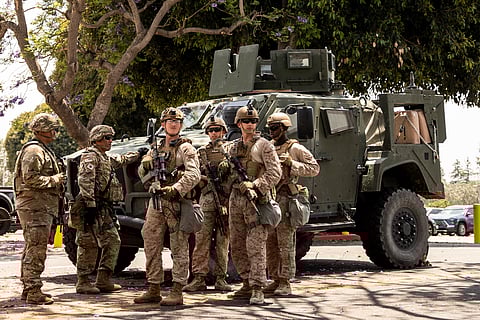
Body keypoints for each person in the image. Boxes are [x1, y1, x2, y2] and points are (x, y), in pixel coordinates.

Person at [134, 107, 200, 306]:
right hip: (157, 202)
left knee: (179, 245)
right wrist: (147, 173)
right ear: (163, 125)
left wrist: (176, 188)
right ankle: (154, 287)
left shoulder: (186, 148)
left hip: (177, 202)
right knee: (150, 239)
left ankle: (178, 289)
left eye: (177, 121)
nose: (173, 124)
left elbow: (194, 174)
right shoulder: (156, 148)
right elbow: (141, 170)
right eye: (170, 121)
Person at [218, 105, 281, 305]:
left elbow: (274, 173)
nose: (250, 125)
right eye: (246, 121)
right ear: (239, 124)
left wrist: (255, 184)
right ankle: (245, 282)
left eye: (253, 121)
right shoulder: (233, 147)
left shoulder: (264, 146)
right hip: (236, 199)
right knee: (236, 244)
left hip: (255, 200)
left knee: (255, 246)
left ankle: (258, 287)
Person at [75, 125, 147, 294]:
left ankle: (103, 279)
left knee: (113, 240)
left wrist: (138, 153)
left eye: (110, 138)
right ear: (97, 139)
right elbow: (85, 181)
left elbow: (120, 160)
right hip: (90, 207)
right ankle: (83, 281)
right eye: (107, 138)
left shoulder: (104, 157)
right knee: (88, 244)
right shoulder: (90, 157)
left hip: (104, 207)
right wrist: (90, 205)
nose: (110, 141)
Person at [264, 112, 320, 295]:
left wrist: (292, 164)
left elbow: (314, 168)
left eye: (275, 128)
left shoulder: (295, 148)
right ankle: (274, 278)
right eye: (270, 129)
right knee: (270, 242)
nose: (272, 132)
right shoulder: (268, 147)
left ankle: (286, 281)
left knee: (285, 243)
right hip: (270, 199)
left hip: (287, 200)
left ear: (284, 128)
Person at [14, 113, 65, 305]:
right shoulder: (35, 151)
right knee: (36, 249)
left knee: (32, 248)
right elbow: (31, 179)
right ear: (43, 129)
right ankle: (34, 291)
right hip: (35, 207)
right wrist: (56, 180)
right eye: (53, 128)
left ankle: (30, 289)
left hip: (39, 207)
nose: (55, 132)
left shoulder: (41, 149)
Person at [183, 117, 232, 292]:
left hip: (226, 200)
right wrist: (203, 180)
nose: (214, 133)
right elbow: (193, 174)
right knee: (201, 240)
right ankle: (199, 277)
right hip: (207, 199)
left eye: (217, 129)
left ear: (223, 131)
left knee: (223, 240)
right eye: (211, 130)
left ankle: (221, 278)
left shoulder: (230, 150)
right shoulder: (201, 153)